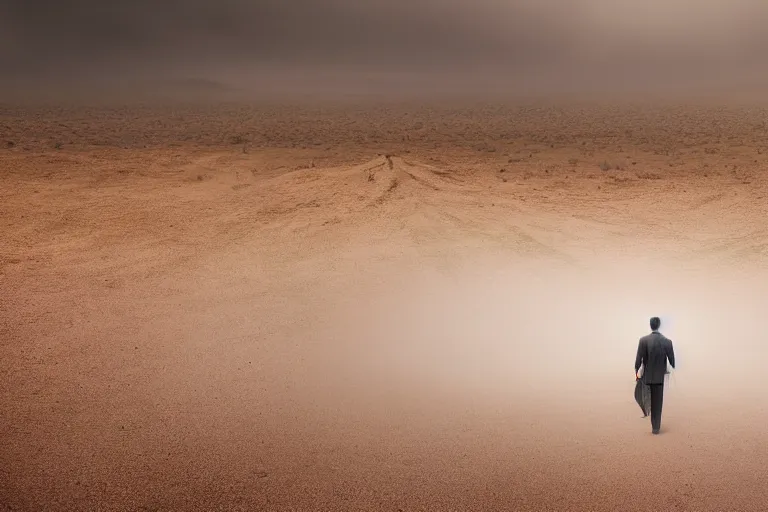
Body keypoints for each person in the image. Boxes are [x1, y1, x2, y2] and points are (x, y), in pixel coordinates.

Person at [634, 317, 675, 434]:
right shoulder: (667, 341)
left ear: (650, 325)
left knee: (646, 398)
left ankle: (647, 414)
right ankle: (655, 428)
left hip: (647, 377)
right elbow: (672, 360)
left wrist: (636, 373)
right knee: (658, 402)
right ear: (659, 325)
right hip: (659, 377)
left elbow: (638, 360)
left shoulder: (643, 340)